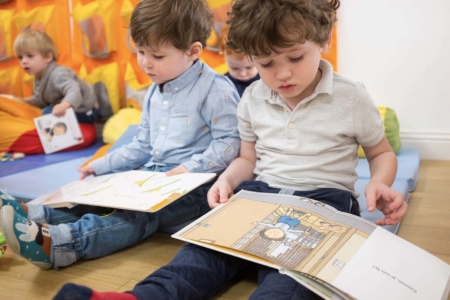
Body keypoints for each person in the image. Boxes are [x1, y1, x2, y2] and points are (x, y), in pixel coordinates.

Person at [52, 0, 408, 298]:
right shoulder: (252, 96)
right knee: (198, 257)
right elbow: (247, 159)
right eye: (266, 64)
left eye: (296, 58)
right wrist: (227, 180)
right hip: (258, 194)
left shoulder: (351, 96)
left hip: (323, 201)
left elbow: (381, 153)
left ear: (323, 41)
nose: (282, 74)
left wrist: (380, 181)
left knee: (289, 280)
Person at [0, 0, 240, 270]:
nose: (145, 64)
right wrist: (99, 166)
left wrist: (189, 168)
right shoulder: (155, 89)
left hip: (195, 187)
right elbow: (141, 145)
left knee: (135, 215)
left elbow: (229, 142)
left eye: (157, 56)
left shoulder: (215, 88)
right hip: (154, 176)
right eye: (140, 51)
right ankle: (30, 213)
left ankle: (62, 245)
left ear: (193, 51)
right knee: (97, 198)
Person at [13, 29, 109, 123]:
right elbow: (40, 99)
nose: (23, 61)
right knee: (42, 111)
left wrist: (63, 105)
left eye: (30, 56)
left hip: (86, 110)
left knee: (47, 112)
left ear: (48, 57)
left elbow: (74, 90)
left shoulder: (57, 73)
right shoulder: (39, 76)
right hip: (70, 108)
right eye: (20, 57)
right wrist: (21, 101)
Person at [219, 23, 260, 97]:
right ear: (223, 56)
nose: (243, 74)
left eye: (249, 67)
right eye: (234, 68)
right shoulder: (223, 83)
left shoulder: (265, 80)